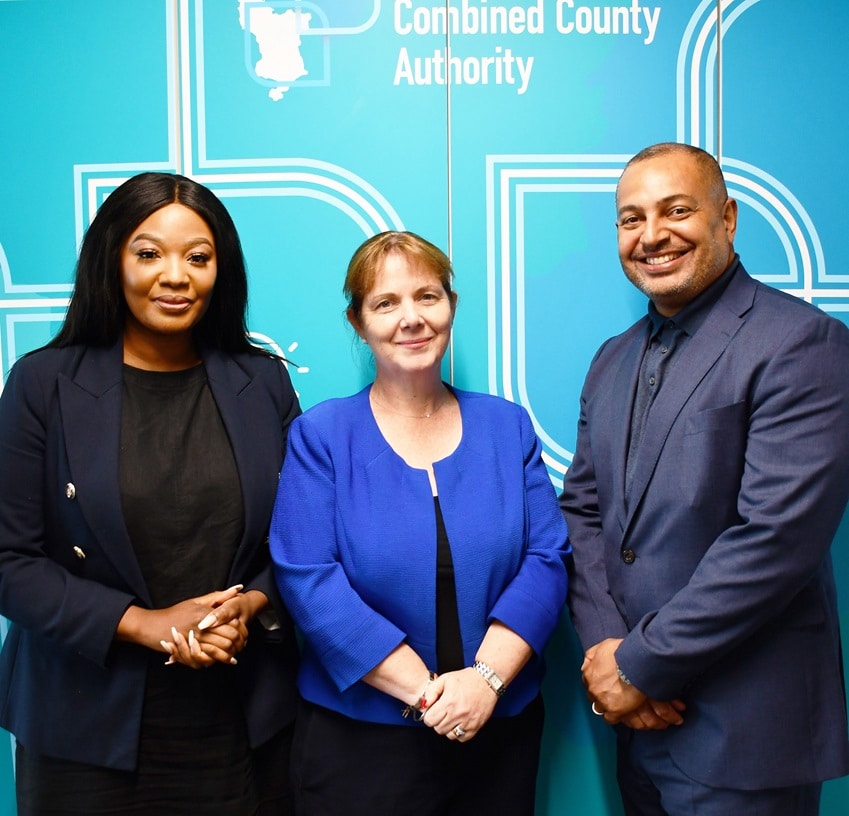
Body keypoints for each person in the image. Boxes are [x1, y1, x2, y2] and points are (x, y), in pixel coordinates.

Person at [559, 142, 849, 815]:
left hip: (743, 736)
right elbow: (584, 512)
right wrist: (608, 649)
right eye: (630, 219)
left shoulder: (799, 343)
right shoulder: (612, 360)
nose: (651, 235)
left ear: (728, 217)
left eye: (676, 210)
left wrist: (638, 666)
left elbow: (773, 541)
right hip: (634, 725)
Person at [0, 173, 301, 815]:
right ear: (112, 259)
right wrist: (145, 625)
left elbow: (303, 543)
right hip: (84, 730)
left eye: (198, 257)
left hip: (243, 725)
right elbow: (9, 560)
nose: (175, 275)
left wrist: (251, 606)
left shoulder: (264, 383)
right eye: (148, 253)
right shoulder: (42, 385)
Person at [268, 230, 569, 815]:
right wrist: (432, 696)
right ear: (359, 323)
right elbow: (308, 578)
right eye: (386, 303)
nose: (411, 318)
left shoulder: (507, 427)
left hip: (499, 731)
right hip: (360, 742)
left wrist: (484, 681)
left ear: (450, 305)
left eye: (427, 297)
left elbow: (547, 558)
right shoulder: (322, 436)